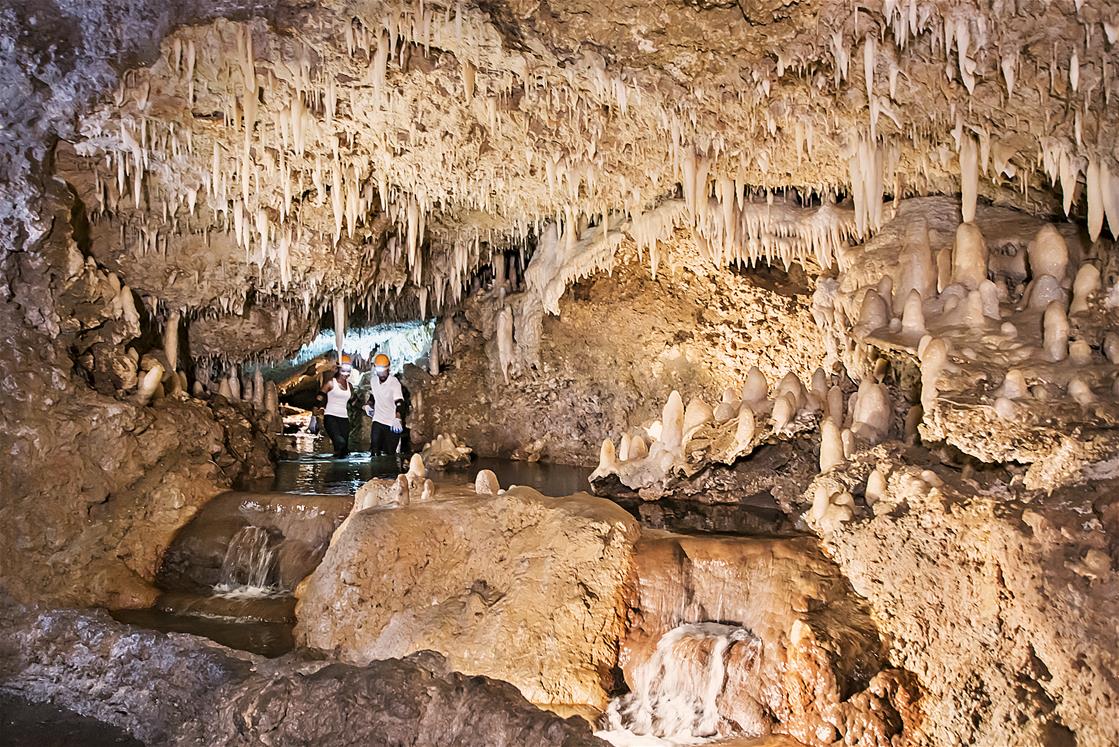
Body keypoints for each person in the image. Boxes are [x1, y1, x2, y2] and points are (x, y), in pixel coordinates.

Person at [364, 353, 405, 457]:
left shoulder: (394, 383)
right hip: (378, 420)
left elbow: (399, 402)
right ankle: (375, 472)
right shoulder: (373, 381)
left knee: (390, 453)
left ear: (388, 369)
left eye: (383, 370)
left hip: (392, 423)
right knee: (374, 449)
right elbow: (373, 395)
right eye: (379, 371)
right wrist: (369, 405)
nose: (381, 374)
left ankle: (389, 472)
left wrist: (398, 418)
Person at [319, 359, 354, 458]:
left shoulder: (349, 386)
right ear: (338, 370)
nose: (346, 374)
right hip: (331, 417)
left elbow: (352, 401)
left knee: (344, 450)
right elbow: (320, 396)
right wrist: (315, 413)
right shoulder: (330, 383)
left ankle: (338, 471)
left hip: (344, 419)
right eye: (343, 371)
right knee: (340, 442)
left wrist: (365, 406)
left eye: (348, 371)